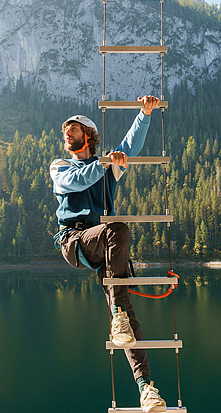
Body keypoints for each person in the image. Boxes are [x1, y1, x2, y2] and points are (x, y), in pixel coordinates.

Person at [50, 95, 167, 413]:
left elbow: (130, 147)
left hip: (105, 247)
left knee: (127, 317)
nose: (67, 133)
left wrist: (145, 113)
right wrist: (105, 163)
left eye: (73, 128)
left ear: (88, 134)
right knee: (117, 228)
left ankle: (147, 390)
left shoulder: (107, 166)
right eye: (65, 130)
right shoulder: (60, 167)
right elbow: (77, 181)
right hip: (74, 241)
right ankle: (117, 317)